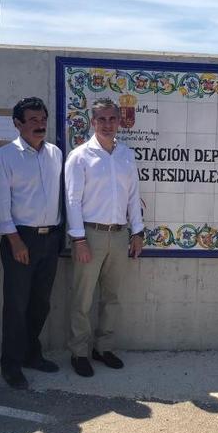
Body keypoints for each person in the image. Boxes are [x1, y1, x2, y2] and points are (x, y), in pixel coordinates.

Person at [64, 98, 144, 377]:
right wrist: (78, 240)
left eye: (112, 119)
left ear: (119, 121)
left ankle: (104, 347)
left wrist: (137, 231)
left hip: (119, 235)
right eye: (102, 119)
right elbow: (72, 200)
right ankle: (79, 352)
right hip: (90, 235)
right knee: (82, 299)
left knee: (111, 297)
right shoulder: (80, 156)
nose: (107, 124)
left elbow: (133, 196)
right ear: (92, 122)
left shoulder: (126, 155)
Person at [0, 97, 64, 389]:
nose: (39, 125)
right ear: (18, 124)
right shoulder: (6, 156)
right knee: (16, 306)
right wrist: (15, 241)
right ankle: (10, 364)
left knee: (41, 304)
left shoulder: (56, 154)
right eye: (32, 120)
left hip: (51, 239)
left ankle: (32, 354)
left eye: (42, 119)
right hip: (20, 239)